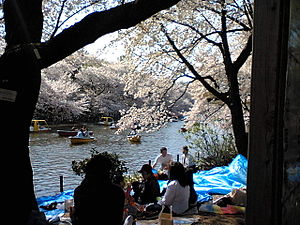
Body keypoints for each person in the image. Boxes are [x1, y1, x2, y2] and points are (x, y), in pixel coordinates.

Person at [72, 154, 125, 225]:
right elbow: (118, 219)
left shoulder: (79, 191)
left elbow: (78, 219)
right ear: (108, 172)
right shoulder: (117, 192)